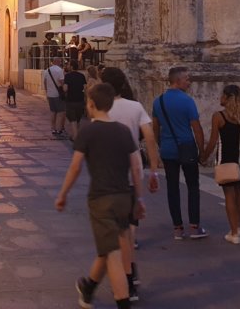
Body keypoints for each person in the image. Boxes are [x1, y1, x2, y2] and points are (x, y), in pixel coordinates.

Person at [55, 83, 144, 309]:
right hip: (124, 196)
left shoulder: (88, 131)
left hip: (101, 199)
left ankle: (123, 303)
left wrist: (63, 194)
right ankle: (89, 287)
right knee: (110, 246)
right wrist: (139, 199)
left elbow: (75, 167)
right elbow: (135, 167)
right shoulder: (123, 131)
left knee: (112, 253)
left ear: (91, 105)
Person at [101, 67, 160, 300]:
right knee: (130, 227)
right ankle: (131, 274)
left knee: (117, 234)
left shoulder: (101, 108)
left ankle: (127, 279)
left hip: (108, 176)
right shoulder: (135, 107)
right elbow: (151, 136)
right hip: (133, 173)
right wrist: (154, 169)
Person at [152, 66, 208, 240]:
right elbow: (196, 128)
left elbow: (155, 127)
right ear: (177, 80)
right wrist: (202, 151)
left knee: (172, 188)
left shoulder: (158, 101)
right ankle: (194, 226)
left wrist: (160, 144)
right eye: (187, 79)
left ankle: (177, 228)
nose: (189, 82)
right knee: (192, 186)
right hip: (187, 146)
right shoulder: (187, 101)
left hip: (168, 149)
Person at [201, 84, 240, 244]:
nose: (220, 98)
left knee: (229, 194)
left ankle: (234, 233)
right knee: (238, 192)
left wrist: (204, 156)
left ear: (227, 98)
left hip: (226, 159)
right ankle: (238, 225)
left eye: (222, 95)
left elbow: (214, 140)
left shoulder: (219, 116)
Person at [62, 59, 88, 141]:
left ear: (72, 66)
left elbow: (65, 89)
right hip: (80, 100)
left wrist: (62, 86)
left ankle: (75, 137)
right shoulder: (82, 76)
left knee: (72, 119)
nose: (67, 66)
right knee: (77, 119)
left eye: (69, 65)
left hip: (71, 100)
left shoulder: (68, 76)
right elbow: (85, 88)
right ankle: (74, 134)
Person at [42, 57, 66, 137]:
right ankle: (59, 129)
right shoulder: (60, 70)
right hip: (58, 94)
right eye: (60, 61)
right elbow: (62, 82)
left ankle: (53, 128)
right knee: (60, 112)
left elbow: (45, 82)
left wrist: (47, 91)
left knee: (53, 112)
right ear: (58, 62)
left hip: (50, 94)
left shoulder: (47, 70)